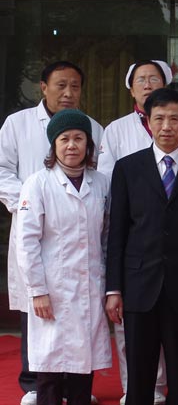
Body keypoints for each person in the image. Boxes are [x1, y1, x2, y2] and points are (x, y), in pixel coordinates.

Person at [105, 88, 178, 405]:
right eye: (159, 119)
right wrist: (114, 288)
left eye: (174, 119)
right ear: (148, 121)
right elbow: (117, 232)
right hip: (138, 285)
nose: (166, 126)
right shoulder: (128, 168)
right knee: (139, 373)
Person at [0, 60, 103, 405]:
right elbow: (1, 171)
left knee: (81, 330)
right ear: (43, 87)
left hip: (83, 257)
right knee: (41, 324)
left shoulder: (94, 135)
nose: (68, 92)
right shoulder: (18, 126)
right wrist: (32, 202)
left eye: (75, 86)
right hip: (40, 240)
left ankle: (77, 389)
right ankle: (35, 386)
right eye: (61, 85)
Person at [16, 109, 111, 405]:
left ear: (88, 144)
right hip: (52, 291)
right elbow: (26, 242)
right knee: (50, 366)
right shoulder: (37, 184)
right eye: (64, 139)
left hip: (89, 287)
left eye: (78, 138)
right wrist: (38, 291)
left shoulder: (101, 183)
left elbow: (106, 236)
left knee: (84, 364)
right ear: (54, 145)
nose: (72, 145)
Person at [98, 59, 174, 405]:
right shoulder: (116, 130)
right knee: (132, 323)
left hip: (170, 236)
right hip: (132, 229)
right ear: (131, 89)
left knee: (170, 324)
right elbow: (106, 179)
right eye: (140, 80)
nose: (147, 84)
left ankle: (165, 385)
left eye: (153, 79)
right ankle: (136, 388)